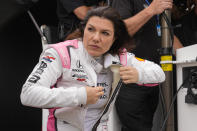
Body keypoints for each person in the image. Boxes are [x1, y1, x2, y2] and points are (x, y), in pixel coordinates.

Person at [20, 6, 165, 131]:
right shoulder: (60, 53)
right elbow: (28, 94)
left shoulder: (121, 57)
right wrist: (80, 96)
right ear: (83, 30)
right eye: (91, 29)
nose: (96, 38)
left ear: (114, 38)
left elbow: (159, 73)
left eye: (105, 33)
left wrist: (139, 74)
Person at [111, 0, 183, 131]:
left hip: (152, 78)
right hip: (131, 79)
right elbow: (118, 31)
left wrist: (188, 57)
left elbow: (166, 34)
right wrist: (151, 10)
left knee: (148, 125)